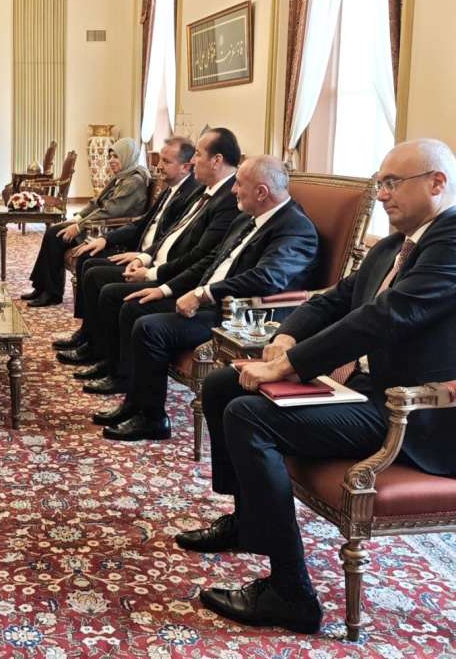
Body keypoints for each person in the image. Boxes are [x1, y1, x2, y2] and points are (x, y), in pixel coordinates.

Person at [181, 139, 456, 634]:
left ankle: (291, 594)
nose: (383, 194)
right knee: (224, 386)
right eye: (380, 183)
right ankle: (247, 522)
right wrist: (288, 336)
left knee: (249, 416)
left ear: (437, 183)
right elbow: (336, 298)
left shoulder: (451, 240)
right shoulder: (395, 245)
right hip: (368, 390)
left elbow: (390, 315)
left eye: (393, 183)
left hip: (414, 411)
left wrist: (291, 366)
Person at [95, 155, 319, 441]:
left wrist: (203, 294)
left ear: (262, 192)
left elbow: (267, 278)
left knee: (149, 328)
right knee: (135, 306)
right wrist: (165, 289)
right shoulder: (247, 217)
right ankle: (134, 403)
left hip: (239, 316)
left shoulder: (296, 228)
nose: (233, 190)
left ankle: (152, 420)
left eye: (239, 184)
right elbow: (210, 261)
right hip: (210, 301)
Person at [56, 129, 242, 394]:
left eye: (198, 155)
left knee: (112, 291)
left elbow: (202, 255)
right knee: (93, 268)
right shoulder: (204, 192)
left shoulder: (224, 199)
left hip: (180, 279)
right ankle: (97, 348)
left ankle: (115, 368)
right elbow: (170, 232)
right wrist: (143, 256)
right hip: (158, 263)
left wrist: (154, 273)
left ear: (216, 160)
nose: (193, 161)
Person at [54, 136, 203, 355]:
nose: (158, 166)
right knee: (89, 261)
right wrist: (105, 239)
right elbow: (141, 223)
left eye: (165, 161)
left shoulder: (191, 194)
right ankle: (88, 334)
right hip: (143, 252)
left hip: (152, 260)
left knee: (94, 272)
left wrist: (143, 257)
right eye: (160, 160)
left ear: (185, 167)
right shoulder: (171, 188)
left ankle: (96, 346)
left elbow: (175, 241)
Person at [22, 137, 150, 306]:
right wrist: (77, 218)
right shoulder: (121, 177)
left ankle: (52, 293)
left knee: (55, 235)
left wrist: (79, 226)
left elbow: (110, 211)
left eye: (116, 157)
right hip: (97, 224)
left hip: (110, 230)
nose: (111, 161)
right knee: (53, 232)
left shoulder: (134, 181)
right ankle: (43, 288)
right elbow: (96, 202)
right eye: (110, 156)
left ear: (127, 157)